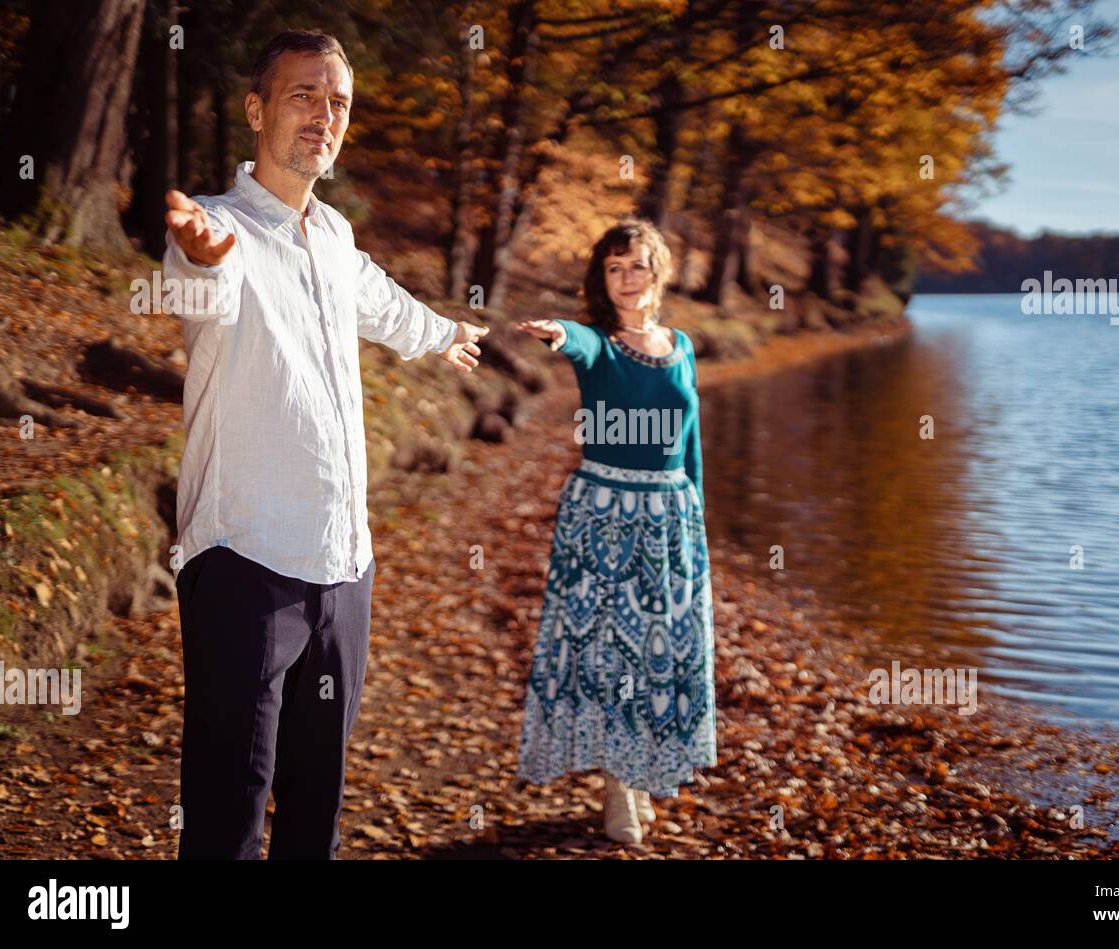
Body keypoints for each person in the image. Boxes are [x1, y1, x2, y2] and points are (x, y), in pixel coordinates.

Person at [161, 29, 488, 859]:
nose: (324, 115)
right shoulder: (217, 226)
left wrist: (444, 333)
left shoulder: (336, 236)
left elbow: (382, 304)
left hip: (345, 569)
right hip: (245, 564)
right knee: (228, 818)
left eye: (338, 101)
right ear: (256, 109)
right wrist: (200, 259)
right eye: (304, 94)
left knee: (315, 819)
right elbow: (201, 276)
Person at [515, 219, 716, 845]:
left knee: (660, 651)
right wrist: (557, 333)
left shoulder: (681, 344)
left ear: (660, 271)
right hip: (604, 515)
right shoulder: (599, 341)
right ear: (602, 278)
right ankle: (616, 788)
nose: (627, 278)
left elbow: (691, 444)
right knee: (610, 653)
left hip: (670, 514)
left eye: (637, 265)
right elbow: (577, 343)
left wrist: (698, 521)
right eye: (613, 267)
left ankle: (639, 771)